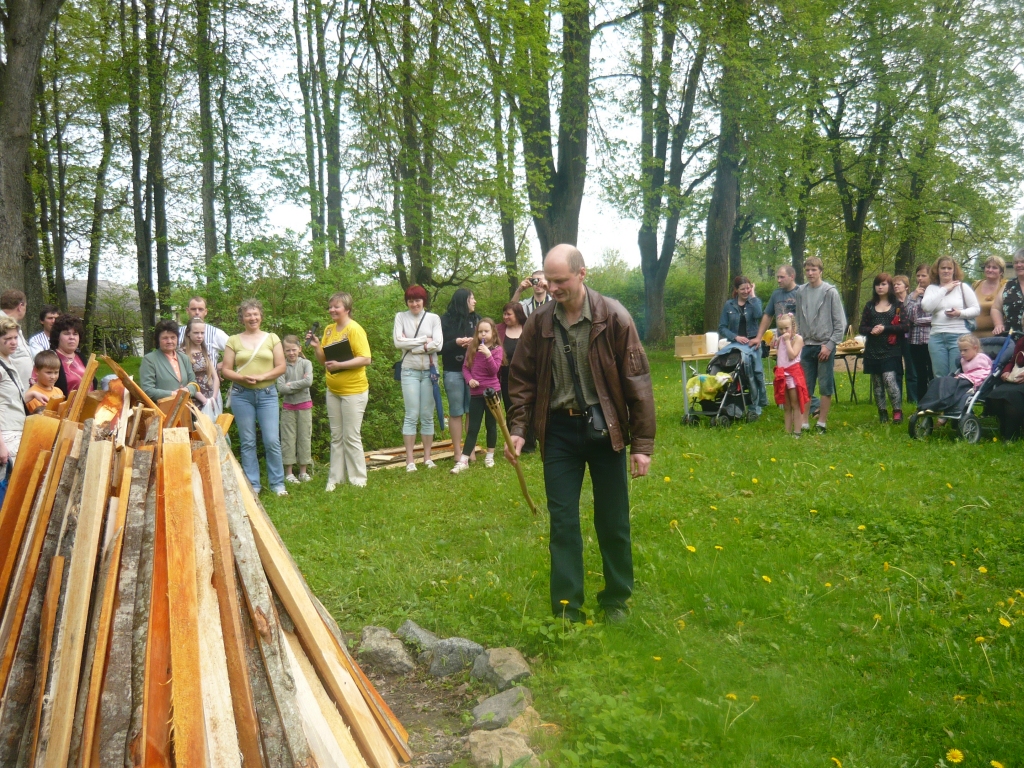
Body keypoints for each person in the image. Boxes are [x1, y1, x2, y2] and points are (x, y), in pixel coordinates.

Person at [506, 244, 655, 624]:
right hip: (558, 432)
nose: (552, 287)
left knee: (613, 520)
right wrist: (519, 429)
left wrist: (642, 445)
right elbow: (521, 379)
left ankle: (616, 600)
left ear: (582, 274)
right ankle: (567, 608)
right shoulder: (539, 323)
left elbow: (637, 381)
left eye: (560, 280)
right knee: (563, 523)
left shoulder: (614, 316)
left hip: (606, 430)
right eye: (548, 280)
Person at [222, 299, 288, 496]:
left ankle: (278, 484)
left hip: (267, 394)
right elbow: (226, 370)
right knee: (248, 441)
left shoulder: (272, 338)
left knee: (272, 440)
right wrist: (242, 378)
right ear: (242, 318)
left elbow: (281, 367)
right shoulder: (233, 340)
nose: (252, 318)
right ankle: (253, 485)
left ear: (261, 316)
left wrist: (263, 377)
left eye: (255, 314)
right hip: (241, 395)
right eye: (248, 315)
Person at [308, 292, 372, 491]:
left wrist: (341, 365)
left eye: (336, 306)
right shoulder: (328, 330)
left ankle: (358, 479)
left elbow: (366, 358)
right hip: (333, 390)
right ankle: (335, 479)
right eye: (330, 307)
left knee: (351, 436)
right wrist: (317, 347)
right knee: (336, 436)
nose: (332, 310)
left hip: (354, 391)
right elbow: (324, 361)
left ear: (347, 309)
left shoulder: (354, 329)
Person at [393, 285, 443, 471]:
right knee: (411, 414)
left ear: (424, 301)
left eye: (418, 300)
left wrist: (411, 345)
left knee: (427, 415)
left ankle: (427, 458)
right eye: (411, 301)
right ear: (407, 302)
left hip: (430, 372)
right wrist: (424, 340)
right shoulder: (400, 317)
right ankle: (410, 460)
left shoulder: (433, 318)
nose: (414, 304)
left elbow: (438, 345)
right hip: (409, 371)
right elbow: (398, 342)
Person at [794, 258, 846, 433]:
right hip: (806, 345)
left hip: (824, 345)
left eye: (814, 270)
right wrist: (798, 341)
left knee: (825, 385)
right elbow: (798, 320)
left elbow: (840, 323)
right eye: (807, 270)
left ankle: (822, 422)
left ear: (820, 271)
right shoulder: (800, 292)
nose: (810, 273)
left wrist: (829, 345)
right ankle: (804, 421)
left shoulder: (830, 292)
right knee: (805, 385)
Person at [451, 318, 503, 474]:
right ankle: (464, 460)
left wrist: (488, 354)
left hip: (492, 392)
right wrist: (470, 380)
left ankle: (490, 456)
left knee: (491, 425)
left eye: (486, 331)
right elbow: (465, 368)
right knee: (473, 427)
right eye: (480, 332)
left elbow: (494, 371)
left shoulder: (497, 350)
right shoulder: (472, 349)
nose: (483, 334)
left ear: (493, 332)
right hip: (476, 393)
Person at [859, 273, 909, 424]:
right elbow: (862, 328)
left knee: (889, 379)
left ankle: (897, 411)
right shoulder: (869, 306)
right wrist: (871, 330)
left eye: (883, 284)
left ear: (890, 286)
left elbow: (905, 326)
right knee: (877, 383)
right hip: (873, 349)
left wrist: (885, 328)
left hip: (891, 348)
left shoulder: (897, 306)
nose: (880, 287)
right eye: (877, 284)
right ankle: (882, 412)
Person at [921, 256, 980, 378]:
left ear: (954, 270)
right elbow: (926, 307)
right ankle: (941, 392)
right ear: (937, 270)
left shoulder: (962, 287)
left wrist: (959, 313)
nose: (946, 271)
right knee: (939, 375)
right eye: (943, 268)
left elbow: (976, 309)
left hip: (959, 336)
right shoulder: (932, 288)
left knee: (956, 374)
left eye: (949, 268)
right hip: (937, 337)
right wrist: (944, 289)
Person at [439, 289, 480, 466]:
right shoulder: (445, 321)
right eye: (472, 298)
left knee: (472, 411)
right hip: (452, 371)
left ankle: (470, 451)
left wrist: (474, 343)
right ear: (463, 301)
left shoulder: (477, 320)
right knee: (456, 411)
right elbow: (438, 348)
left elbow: (487, 341)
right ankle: (457, 452)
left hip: (473, 372)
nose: (475, 301)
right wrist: (455, 343)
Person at [718, 275, 767, 416]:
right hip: (736, 344)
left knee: (756, 372)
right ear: (736, 290)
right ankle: (730, 400)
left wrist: (753, 295)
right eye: (742, 289)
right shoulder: (729, 305)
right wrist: (735, 337)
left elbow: (758, 314)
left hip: (753, 343)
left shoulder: (754, 302)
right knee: (728, 367)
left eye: (748, 288)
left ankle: (758, 403)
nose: (746, 291)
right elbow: (722, 327)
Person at [0, 317, 44, 469]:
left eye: (15, 337)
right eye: (7, 339)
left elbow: (9, 399)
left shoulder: (8, 362)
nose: (13, 342)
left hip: (15, 430)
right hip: (6, 435)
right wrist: (1, 446)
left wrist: (30, 395)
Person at [178, 295, 230, 411]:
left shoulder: (215, 333)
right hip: (188, 392)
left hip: (211, 390)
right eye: (193, 309)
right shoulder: (177, 333)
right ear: (187, 310)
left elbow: (236, 350)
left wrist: (222, 366)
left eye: (200, 309)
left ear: (206, 311)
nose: (197, 312)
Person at [276, 335, 313, 485]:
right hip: (288, 408)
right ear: (283, 351)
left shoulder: (306, 363)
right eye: (288, 350)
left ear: (299, 349)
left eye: (294, 349)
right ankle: (289, 473)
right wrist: (299, 384)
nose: (291, 353)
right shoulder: (281, 366)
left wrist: (290, 384)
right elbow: (281, 388)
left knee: (304, 437)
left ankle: (303, 471)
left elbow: (308, 381)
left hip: (305, 406)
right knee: (288, 439)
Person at [139, 320, 201, 403]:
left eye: (173, 337)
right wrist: (172, 394)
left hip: (185, 407)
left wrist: (187, 390)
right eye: (165, 338)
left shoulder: (184, 358)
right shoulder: (149, 360)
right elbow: (147, 390)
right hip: (161, 408)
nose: (169, 341)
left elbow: (193, 383)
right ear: (158, 340)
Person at [772, 314, 808, 436]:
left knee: (795, 404)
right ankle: (787, 432)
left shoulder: (798, 339)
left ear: (792, 326)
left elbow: (792, 355)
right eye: (781, 329)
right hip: (782, 374)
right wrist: (775, 342)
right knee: (786, 405)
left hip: (793, 375)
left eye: (786, 328)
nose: (783, 331)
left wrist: (787, 341)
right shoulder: (780, 339)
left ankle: (797, 431)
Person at [982, 335, 1024, 440]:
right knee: (995, 395)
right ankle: (1006, 428)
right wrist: (1006, 371)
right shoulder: (1021, 341)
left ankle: (1011, 435)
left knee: (1011, 396)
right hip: (1016, 378)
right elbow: (1012, 361)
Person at [904, 263, 933, 403]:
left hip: (931, 340)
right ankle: (922, 403)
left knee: (932, 372)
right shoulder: (911, 296)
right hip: (915, 341)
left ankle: (934, 401)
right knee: (920, 374)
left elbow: (936, 318)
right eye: (918, 275)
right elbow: (907, 317)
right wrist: (914, 297)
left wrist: (917, 321)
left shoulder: (935, 294)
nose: (920, 278)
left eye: (923, 275)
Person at [753, 264, 800, 346]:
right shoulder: (776, 294)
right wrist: (758, 337)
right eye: (778, 277)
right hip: (781, 340)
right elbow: (768, 316)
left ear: (792, 277)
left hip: (798, 340)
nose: (779, 280)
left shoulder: (801, 292)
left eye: (782, 277)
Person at [182, 317, 220, 418]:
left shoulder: (204, 351)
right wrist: (204, 400)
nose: (199, 336)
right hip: (194, 398)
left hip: (210, 397)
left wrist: (213, 398)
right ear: (188, 333)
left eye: (202, 333)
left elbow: (215, 377)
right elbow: (185, 381)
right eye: (196, 333)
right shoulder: (182, 354)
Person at [50, 314, 95, 395]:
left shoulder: (81, 357)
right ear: (57, 337)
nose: (72, 337)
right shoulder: (50, 358)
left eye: (75, 334)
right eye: (67, 333)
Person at [892, 276, 917, 406]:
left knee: (911, 368)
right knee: (897, 369)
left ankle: (913, 398)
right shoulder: (891, 302)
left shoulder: (912, 300)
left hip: (910, 337)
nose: (896, 286)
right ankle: (897, 398)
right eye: (894, 284)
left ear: (906, 286)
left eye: (899, 284)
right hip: (895, 338)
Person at [0, 290, 34, 386]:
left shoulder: (12, 325)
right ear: (20, 306)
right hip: (7, 389)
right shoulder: (1, 325)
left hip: (22, 388)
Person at [497, 301, 526, 412]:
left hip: (525, 379)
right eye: (504, 314)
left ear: (518, 315)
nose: (505, 317)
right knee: (510, 410)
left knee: (525, 410)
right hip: (505, 379)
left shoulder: (528, 328)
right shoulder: (498, 330)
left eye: (509, 314)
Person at [991, 248, 1024, 338]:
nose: (1019, 265)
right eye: (1016, 262)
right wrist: (998, 324)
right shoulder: (1008, 286)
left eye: (1022, 262)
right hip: (1012, 338)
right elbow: (995, 308)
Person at [973, 256, 1007, 339]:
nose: (990, 270)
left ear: (1001, 272)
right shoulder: (976, 285)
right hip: (973, 336)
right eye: (988, 267)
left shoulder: (1005, 286)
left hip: (995, 337)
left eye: (994, 268)